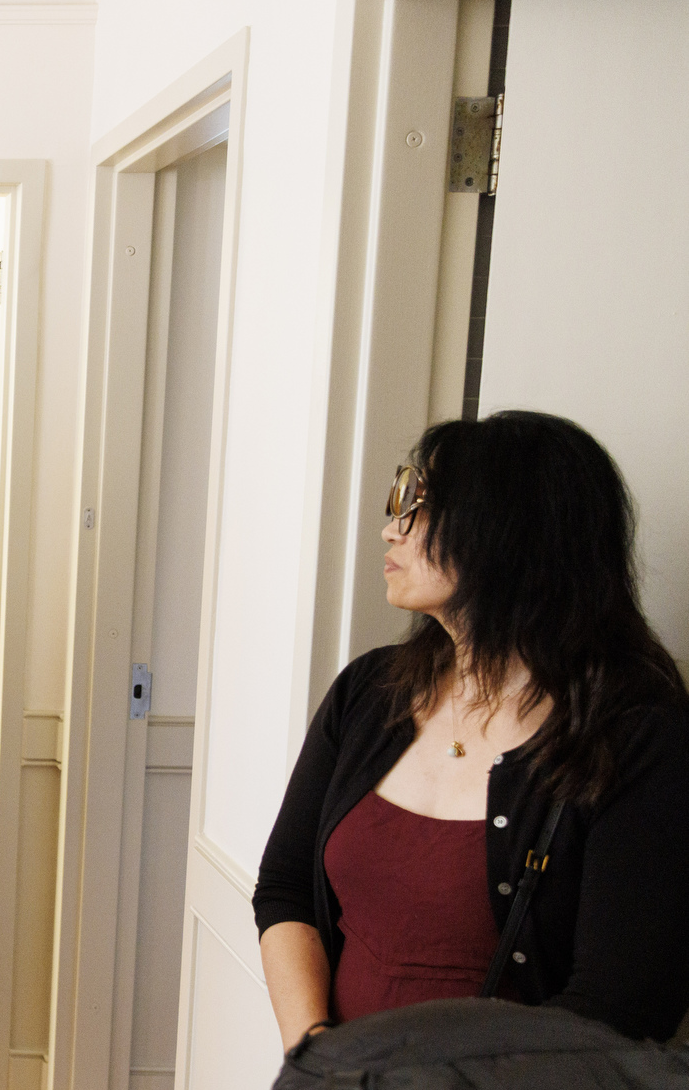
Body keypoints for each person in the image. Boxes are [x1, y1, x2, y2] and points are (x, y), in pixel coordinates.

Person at [254, 410, 689, 1050]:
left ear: (507, 535)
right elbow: (285, 888)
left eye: (418, 507)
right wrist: (313, 1052)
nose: (390, 529)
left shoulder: (636, 739)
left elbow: (620, 1007)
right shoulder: (370, 694)